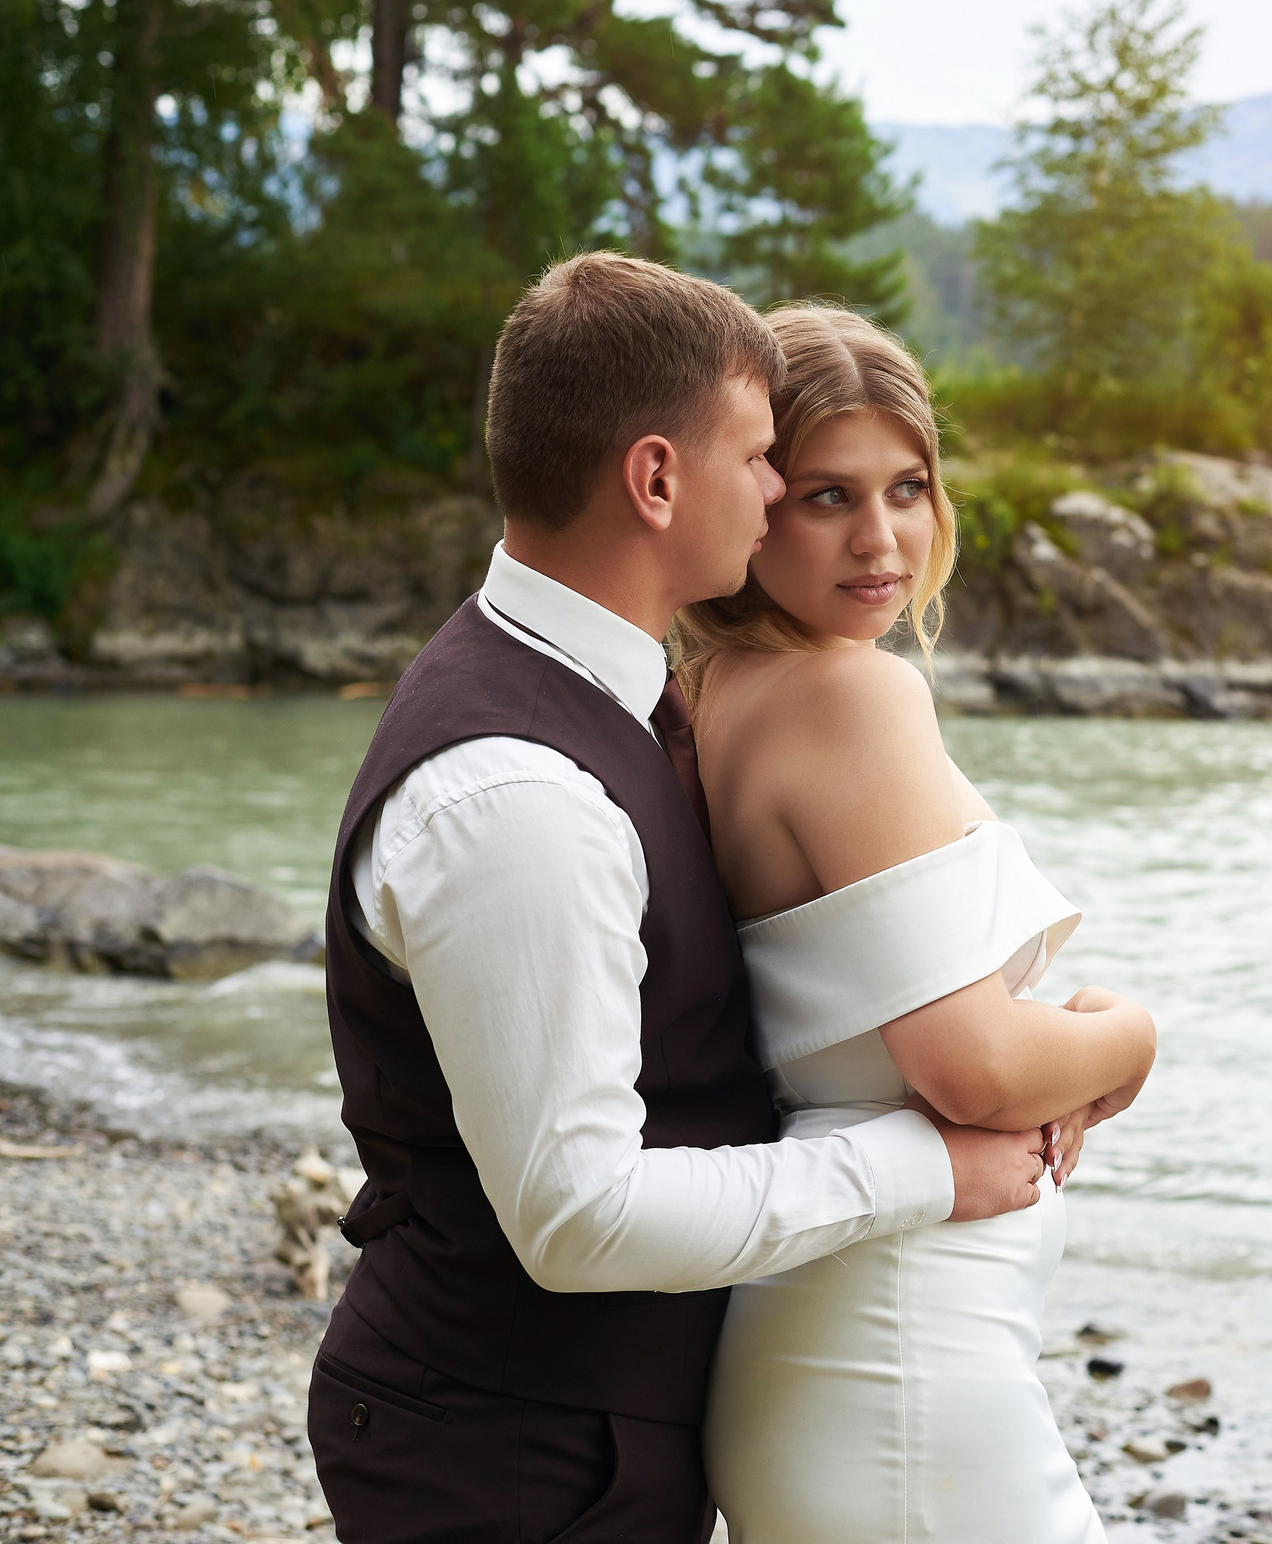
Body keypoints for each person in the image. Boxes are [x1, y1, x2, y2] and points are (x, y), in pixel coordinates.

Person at [309, 253, 1050, 1542]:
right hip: (506, 1447)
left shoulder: (624, 698)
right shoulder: (515, 794)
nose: (774, 490)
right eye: (763, 457)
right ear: (656, 478)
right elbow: (580, 1217)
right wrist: (925, 1162)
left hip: (590, 1425)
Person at [678, 305, 1155, 1542]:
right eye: (828, 494)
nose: (882, 538)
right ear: (755, 496)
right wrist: (1124, 1036)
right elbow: (971, 1064)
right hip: (902, 1354)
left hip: (856, 1339)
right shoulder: (851, 693)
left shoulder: (715, 689)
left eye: (908, 486)